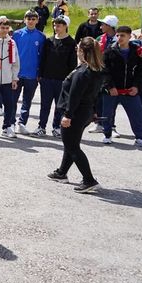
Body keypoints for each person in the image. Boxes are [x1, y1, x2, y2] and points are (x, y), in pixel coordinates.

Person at [47, 38, 105, 193]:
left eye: (78, 48)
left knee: (72, 146)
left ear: (83, 52)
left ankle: (89, 180)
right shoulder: (95, 69)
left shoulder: (82, 72)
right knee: (71, 143)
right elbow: (94, 95)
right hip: (85, 112)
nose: (76, 51)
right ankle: (62, 172)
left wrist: (68, 115)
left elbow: (74, 96)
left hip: (75, 113)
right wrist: (93, 111)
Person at [101, 26, 142, 148]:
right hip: (112, 90)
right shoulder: (109, 50)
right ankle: (107, 135)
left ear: (129, 36)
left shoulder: (136, 51)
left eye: (123, 35)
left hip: (130, 90)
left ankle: (140, 137)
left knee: (137, 114)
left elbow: (141, 70)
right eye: (118, 35)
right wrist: (110, 86)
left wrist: (136, 86)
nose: (119, 38)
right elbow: (104, 70)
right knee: (107, 113)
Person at [35, 16, 77, 137]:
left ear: (65, 26)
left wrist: (70, 80)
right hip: (47, 78)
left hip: (62, 80)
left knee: (60, 106)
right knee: (45, 105)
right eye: (54, 25)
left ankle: (57, 127)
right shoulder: (49, 41)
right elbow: (43, 59)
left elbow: (73, 64)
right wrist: (40, 74)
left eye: (59, 25)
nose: (56, 28)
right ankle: (41, 126)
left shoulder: (71, 43)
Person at [13, 10, 46, 135]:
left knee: (27, 101)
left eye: (33, 19)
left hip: (32, 75)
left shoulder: (41, 37)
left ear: (37, 20)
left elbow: (42, 57)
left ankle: (22, 123)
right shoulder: (16, 34)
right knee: (13, 100)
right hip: (17, 74)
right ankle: (10, 123)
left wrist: (39, 73)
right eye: (28, 19)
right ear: (24, 20)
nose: (31, 21)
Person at [90, 15, 119, 135]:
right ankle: (99, 123)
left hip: (112, 74)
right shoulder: (99, 38)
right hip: (99, 73)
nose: (101, 26)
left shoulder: (118, 39)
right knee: (98, 99)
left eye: (103, 24)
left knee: (111, 102)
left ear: (110, 26)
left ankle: (111, 126)